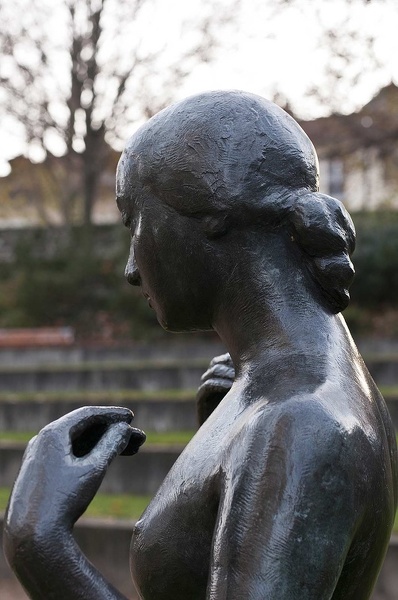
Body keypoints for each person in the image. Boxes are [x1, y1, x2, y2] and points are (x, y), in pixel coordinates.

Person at [4, 91, 397, 600]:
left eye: (134, 223)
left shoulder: (300, 421)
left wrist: (40, 550)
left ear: (211, 213)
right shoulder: (291, 396)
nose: (129, 269)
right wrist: (231, 448)